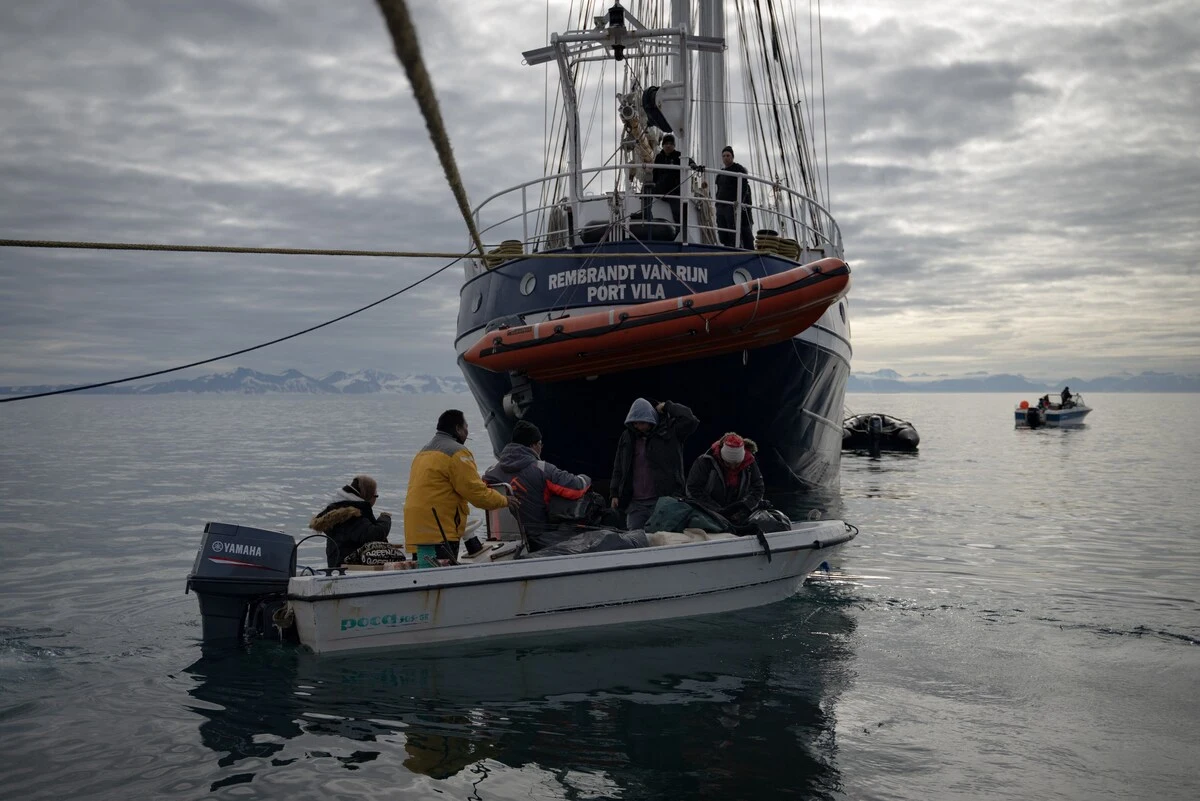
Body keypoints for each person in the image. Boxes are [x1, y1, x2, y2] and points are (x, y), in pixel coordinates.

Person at [403, 410, 516, 567]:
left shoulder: (423, 452)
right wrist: (504, 500)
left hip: (416, 528)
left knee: (425, 572)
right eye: (466, 427)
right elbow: (476, 493)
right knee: (442, 575)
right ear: (457, 429)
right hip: (439, 530)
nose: (467, 431)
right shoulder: (457, 452)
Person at [482, 420, 593, 551]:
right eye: (540, 444)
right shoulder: (543, 470)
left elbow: (479, 495)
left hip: (501, 540)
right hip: (537, 540)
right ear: (533, 445)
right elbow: (576, 489)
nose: (541, 448)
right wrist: (585, 478)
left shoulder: (490, 473)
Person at [610, 398, 699, 530]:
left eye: (641, 422)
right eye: (635, 423)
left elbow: (691, 420)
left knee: (664, 539)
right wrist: (614, 493)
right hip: (635, 505)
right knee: (634, 539)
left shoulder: (671, 431)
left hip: (663, 502)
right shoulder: (627, 436)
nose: (637, 426)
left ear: (650, 419)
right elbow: (619, 466)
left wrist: (668, 406)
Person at [308, 475, 392, 568]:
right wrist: (385, 517)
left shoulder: (338, 510)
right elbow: (374, 534)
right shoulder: (351, 515)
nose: (375, 499)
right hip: (351, 567)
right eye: (375, 496)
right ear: (367, 496)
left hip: (336, 565)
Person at [686, 433, 765, 522]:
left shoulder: (750, 463)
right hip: (708, 512)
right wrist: (717, 510)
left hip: (738, 515)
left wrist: (745, 506)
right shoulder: (705, 462)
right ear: (721, 457)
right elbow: (693, 489)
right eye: (728, 463)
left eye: (737, 464)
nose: (732, 467)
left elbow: (758, 488)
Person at [652, 134, 699, 237]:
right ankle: (646, 218)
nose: (668, 146)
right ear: (663, 145)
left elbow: (688, 161)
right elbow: (655, 173)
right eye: (666, 144)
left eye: (670, 144)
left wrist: (693, 165)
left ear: (674, 146)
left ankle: (679, 232)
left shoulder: (679, 156)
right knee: (646, 192)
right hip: (661, 190)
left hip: (674, 191)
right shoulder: (659, 157)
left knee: (677, 211)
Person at [714, 146, 754, 249]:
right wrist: (716, 203)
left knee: (733, 229)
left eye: (728, 155)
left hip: (731, 206)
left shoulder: (738, 169)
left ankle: (734, 247)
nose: (726, 158)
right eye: (724, 156)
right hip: (720, 206)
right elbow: (718, 189)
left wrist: (739, 202)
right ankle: (726, 246)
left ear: (732, 157)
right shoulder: (721, 173)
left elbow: (743, 187)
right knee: (722, 231)